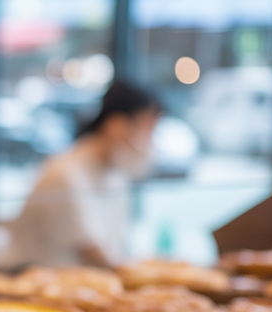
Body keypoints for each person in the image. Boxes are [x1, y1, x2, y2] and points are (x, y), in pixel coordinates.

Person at [9, 80, 161, 268]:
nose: (151, 141)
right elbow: (96, 257)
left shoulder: (114, 175)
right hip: (42, 288)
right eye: (149, 128)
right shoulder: (66, 174)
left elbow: (115, 251)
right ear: (117, 126)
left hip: (74, 287)